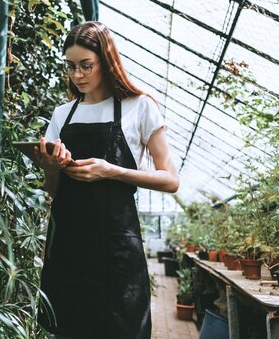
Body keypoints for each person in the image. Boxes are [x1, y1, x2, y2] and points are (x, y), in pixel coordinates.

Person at [34, 21, 179, 339]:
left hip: (115, 245)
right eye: (71, 67)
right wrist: (51, 167)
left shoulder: (139, 107)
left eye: (86, 65)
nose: (78, 75)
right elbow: (51, 190)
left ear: (107, 61)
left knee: (120, 328)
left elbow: (170, 180)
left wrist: (111, 171)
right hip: (68, 245)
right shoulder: (62, 114)